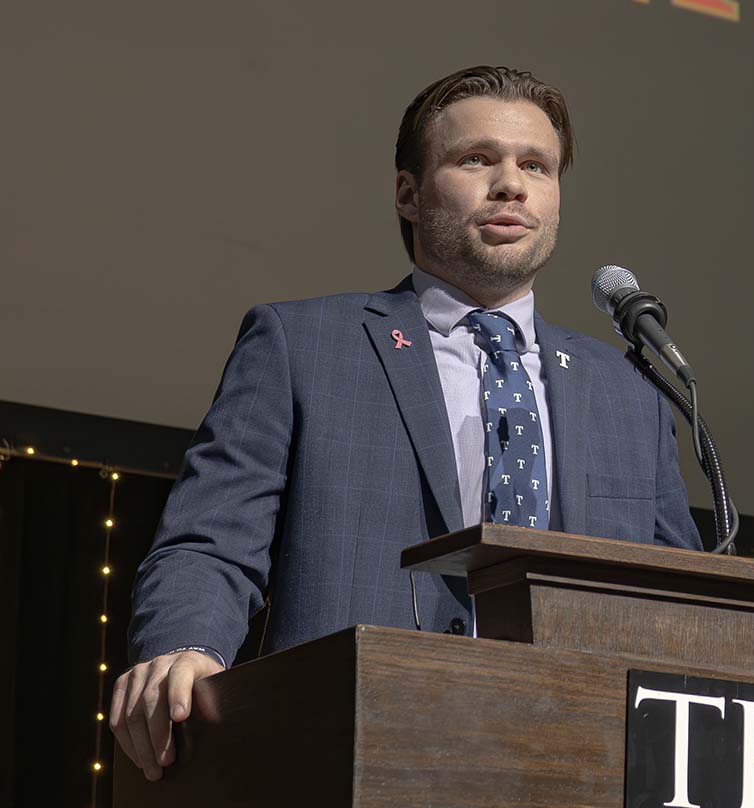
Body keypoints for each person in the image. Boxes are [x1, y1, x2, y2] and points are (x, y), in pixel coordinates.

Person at [110, 65, 702, 781]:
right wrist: (186, 645)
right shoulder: (302, 346)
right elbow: (210, 543)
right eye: (476, 158)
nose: (511, 184)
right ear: (408, 193)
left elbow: (681, 605)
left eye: (535, 166)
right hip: (359, 748)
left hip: (581, 760)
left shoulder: (630, 392)